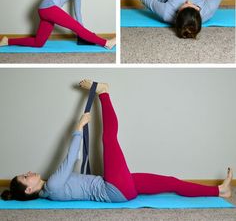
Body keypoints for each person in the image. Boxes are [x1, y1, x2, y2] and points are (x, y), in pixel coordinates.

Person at [1, 80, 233, 202]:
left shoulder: (50, 191)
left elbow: (72, 166)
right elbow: (71, 158)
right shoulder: (51, 186)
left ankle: (219, 191)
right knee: (109, 138)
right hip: (115, 188)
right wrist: (78, 127)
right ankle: (104, 92)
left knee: (171, 182)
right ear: (29, 188)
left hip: (120, 189)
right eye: (25, 176)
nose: (29, 172)